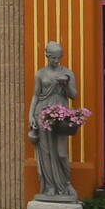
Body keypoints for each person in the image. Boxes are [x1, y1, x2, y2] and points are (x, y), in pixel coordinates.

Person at [30, 40, 78, 200]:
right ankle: (50, 187)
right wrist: (31, 116)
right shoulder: (40, 74)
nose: (57, 61)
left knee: (61, 153)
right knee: (46, 153)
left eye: (59, 57)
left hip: (61, 115)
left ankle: (66, 183)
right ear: (47, 56)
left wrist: (66, 84)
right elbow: (36, 95)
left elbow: (74, 95)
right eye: (53, 58)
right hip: (42, 113)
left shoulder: (68, 73)